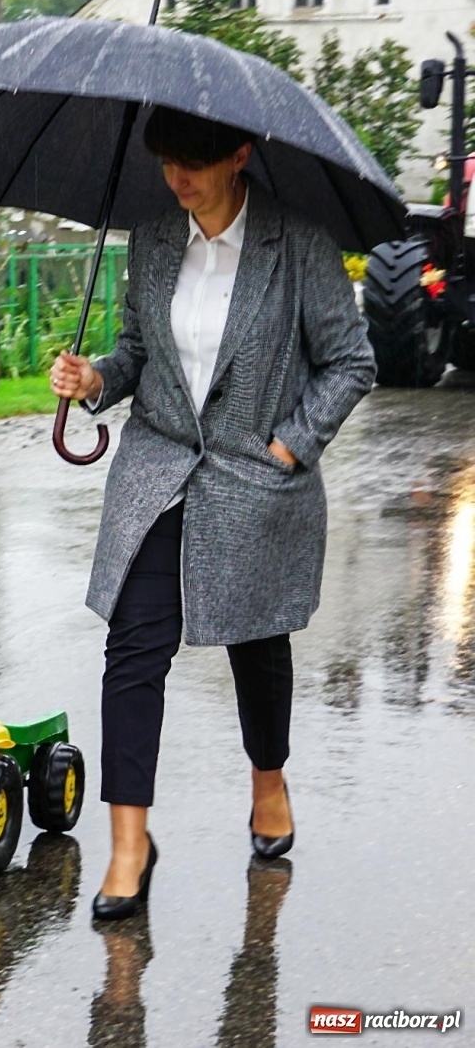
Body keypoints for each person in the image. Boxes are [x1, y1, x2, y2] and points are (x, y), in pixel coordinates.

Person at [48, 107, 375, 920]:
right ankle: (130, 843)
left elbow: (350, 361)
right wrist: (96, 380)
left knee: (256, 644)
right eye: (166, 162)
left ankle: (269, 780)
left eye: (193, 161)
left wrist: (291, 445)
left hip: (253, 477)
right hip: (158, 466)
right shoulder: (154, 240)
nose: (177, 178)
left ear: (240, 153)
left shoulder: (297, 244)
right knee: (133, 649)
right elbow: (135, 352)